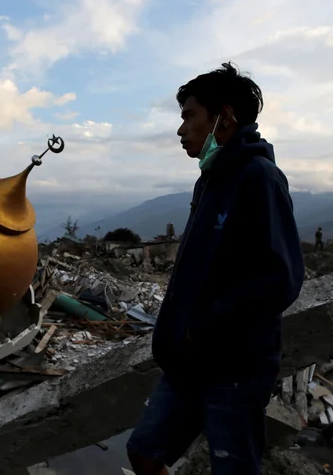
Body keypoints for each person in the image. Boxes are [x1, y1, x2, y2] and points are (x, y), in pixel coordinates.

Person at [127, 62, 304, 475]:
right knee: (144, 453)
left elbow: (282, 279)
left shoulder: (259, 178)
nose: (180, 129)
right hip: (188, 365)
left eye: (189, 115)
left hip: (234, 369)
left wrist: (203, 325)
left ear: (224, 118)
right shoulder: (208, 181)